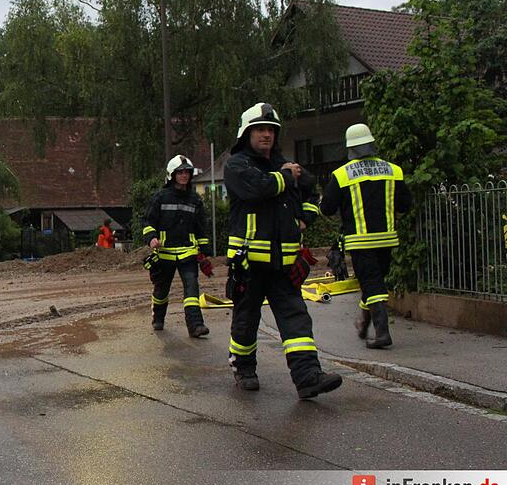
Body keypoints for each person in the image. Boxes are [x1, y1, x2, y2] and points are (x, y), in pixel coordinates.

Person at [224, 102, 342, 399]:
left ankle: (308, 378)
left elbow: (312, 191)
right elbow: (257, 188)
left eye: (271, 130)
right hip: (249, 264)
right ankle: (245, 368)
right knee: (246, 320)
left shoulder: (287, 165)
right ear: (247, 134)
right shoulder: (237, 165)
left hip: (285, 264)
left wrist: (305, 216)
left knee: (296, 319)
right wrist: (287, 176)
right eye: (260, 130)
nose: (266, 135)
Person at [319, 123, 412, 349]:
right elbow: (405, 204)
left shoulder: (341, 175)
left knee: (371, 283)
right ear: (371, 144)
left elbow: (328, 209)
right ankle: (363, 323)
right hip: (387, 239)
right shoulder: (394, 170)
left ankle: (382, 334)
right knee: (374, 283)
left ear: (350, 148)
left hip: (360, 241)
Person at [142, 155, 211, 337]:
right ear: (172, 175)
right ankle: (158, 317)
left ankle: (196, 325)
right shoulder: (160, 197)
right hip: (164, 254)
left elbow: (200, 227)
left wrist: (204, 251)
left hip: (188, 253)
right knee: (161, 291)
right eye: (180, 172)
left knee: (191, 289)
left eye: (187, 172)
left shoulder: (195, 199)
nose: (184, 175)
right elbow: (148, 221)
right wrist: (151, 238)